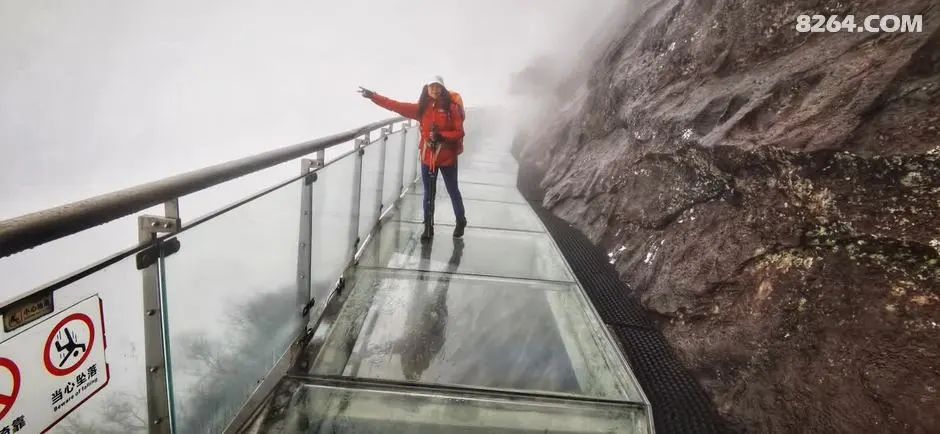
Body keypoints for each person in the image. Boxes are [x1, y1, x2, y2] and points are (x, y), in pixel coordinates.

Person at [358, 76, 466, 241]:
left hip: (447, 157)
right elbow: (394, 105)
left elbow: (460, 132)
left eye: (438, 87)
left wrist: (441, 136)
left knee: (453, 190)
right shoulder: (422, 108)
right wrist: (373, 96)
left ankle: (460, 221)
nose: (435, 90)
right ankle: (428, 228)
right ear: (427, 89)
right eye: (432, 87)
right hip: (428, 157)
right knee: (428, 194)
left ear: (443, 88)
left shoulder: (452, 108)